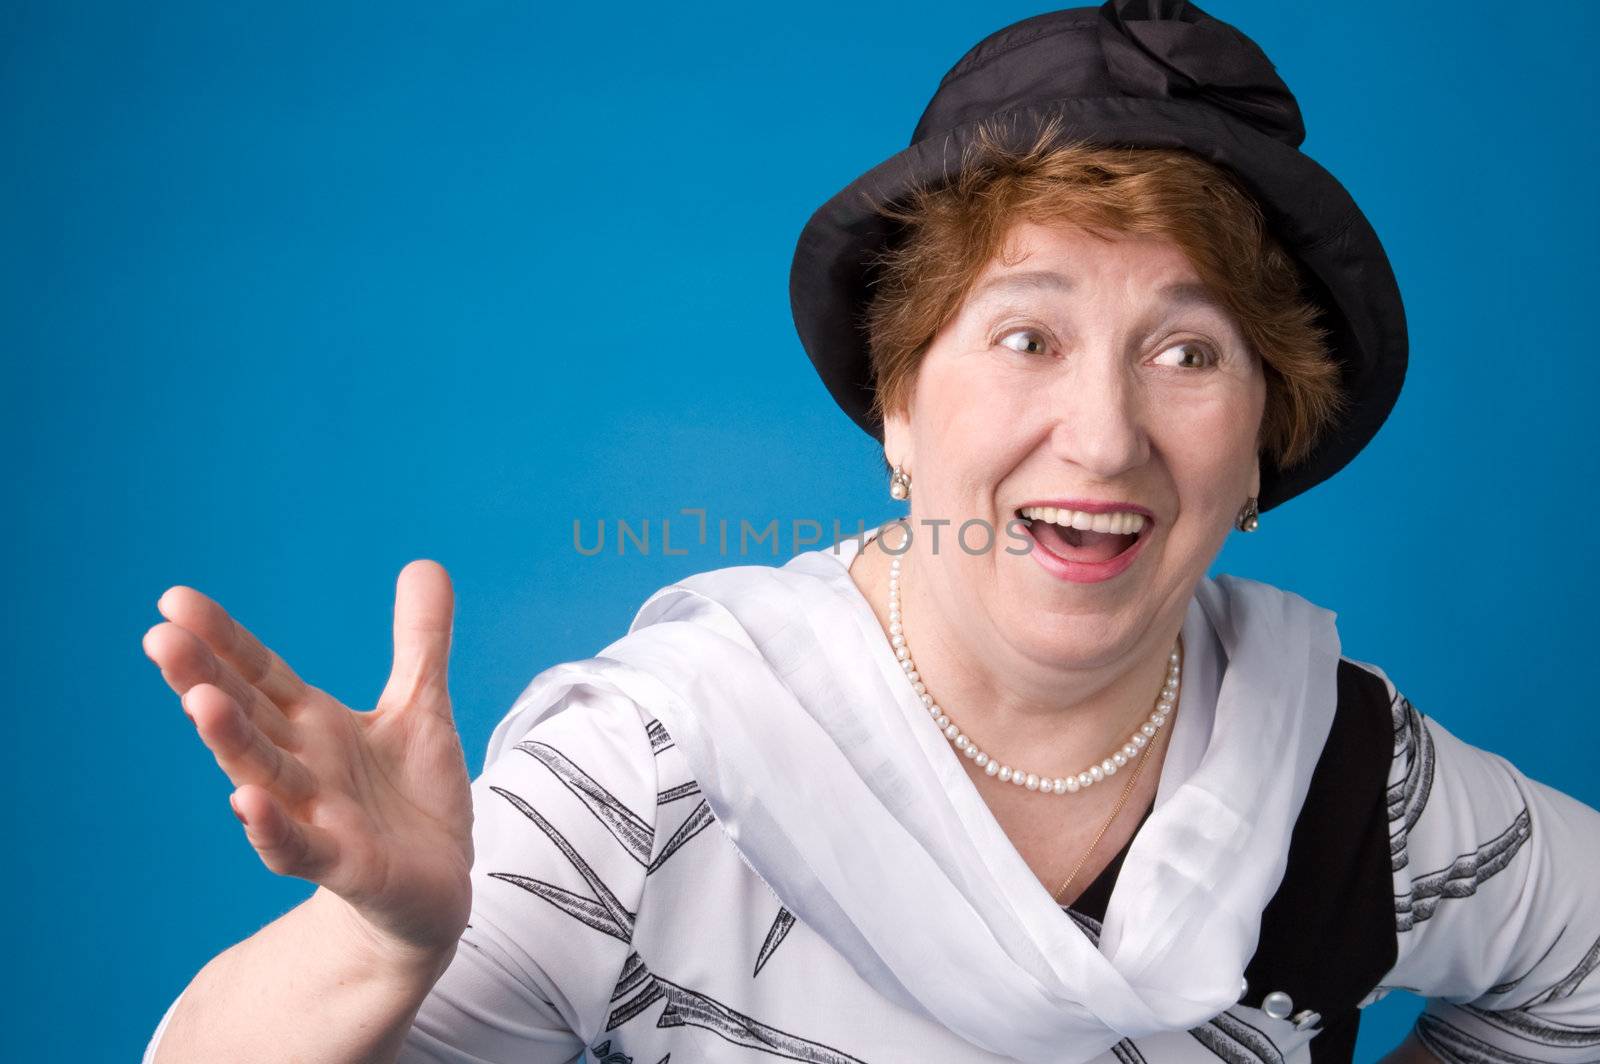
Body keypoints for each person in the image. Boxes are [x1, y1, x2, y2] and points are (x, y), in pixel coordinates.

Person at [139, 3, 1600, 1063]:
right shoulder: (668, 766)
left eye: (1189, 354)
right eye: (1027, 337)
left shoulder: (1344, 772)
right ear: (898, 412)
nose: (1103, 436)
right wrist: (385, 945)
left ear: (1261, 445)